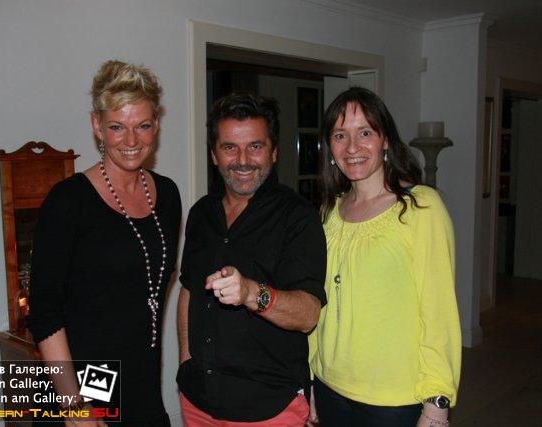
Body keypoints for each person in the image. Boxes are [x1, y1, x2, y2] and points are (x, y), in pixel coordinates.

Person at [28, 60, 181, 426]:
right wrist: (74, 403)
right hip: (82, 388)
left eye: (143, 125)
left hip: (142, 386)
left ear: (157, 124)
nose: (131, 141)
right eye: (117, 127)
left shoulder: (168, 195)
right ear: (97, 125)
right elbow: (44, 312)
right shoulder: (68, 201)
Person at [308, 87, 461, 427]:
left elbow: (439, 312)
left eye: (365, 133)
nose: (352, 147)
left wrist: (437, 401)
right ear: (330, 148)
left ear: (386, 140)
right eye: (340, 135)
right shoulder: (328, 212)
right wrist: (312, 377)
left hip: (394, 400)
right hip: (331, 386)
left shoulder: (421, 208)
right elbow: (320, 303)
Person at [176, 91, 327, 426]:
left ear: (273, 151)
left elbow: (308, 314)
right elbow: (188, 289)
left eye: (255, 146)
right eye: (230, 147)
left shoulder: (298, 217)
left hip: (268, 408)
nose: (243, 160)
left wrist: (249, 293)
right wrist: (186, 359)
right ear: (214, 154)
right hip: (198, 400)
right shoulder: (201, 213)